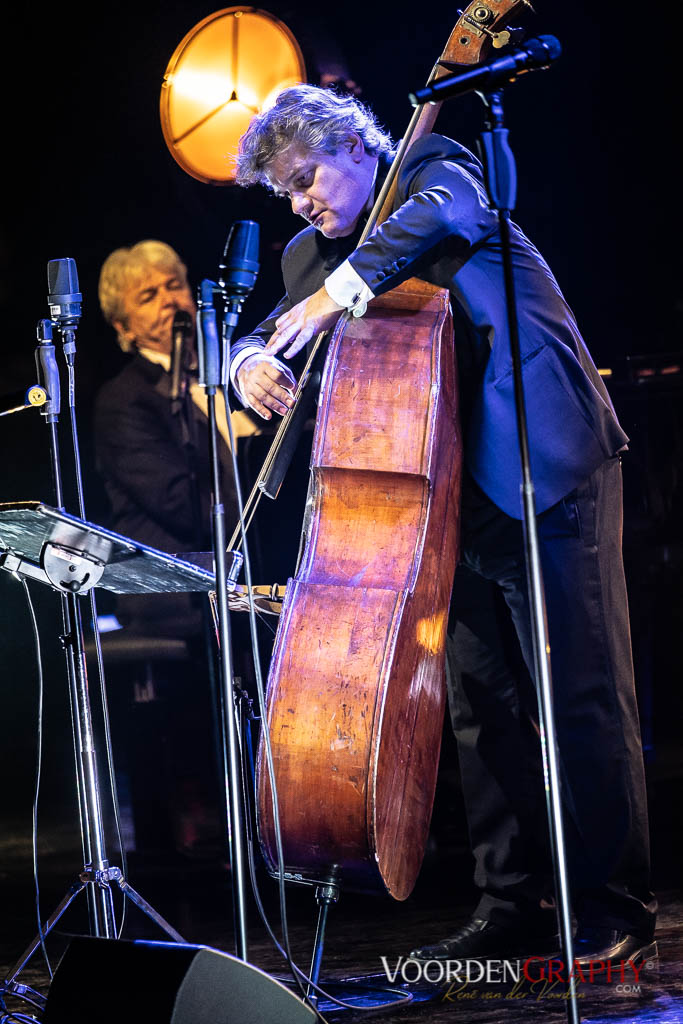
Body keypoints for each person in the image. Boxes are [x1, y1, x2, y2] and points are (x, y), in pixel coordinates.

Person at [227, 85, 657, 966]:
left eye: (308, 179)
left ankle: (611, 904)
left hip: (546, 465)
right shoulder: (312, 254)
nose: (303, 204)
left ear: (353, 145)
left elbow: (439, 217)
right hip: (437, 494)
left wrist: (330, 299)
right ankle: (514, 900)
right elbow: (271, 328)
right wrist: (244, 364)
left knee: (579, 695)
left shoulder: (434, 169)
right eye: (286, 195)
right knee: (479, 709)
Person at [93, 240, 252, 855]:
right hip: (167, 578)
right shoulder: (125, 399)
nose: (169, 300)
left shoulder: (233, 376)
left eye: (175, 284)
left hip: (239, 563)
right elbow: (182, 507)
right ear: (123, 326)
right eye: (148, 294)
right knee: (233, 616)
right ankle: (212, 806)